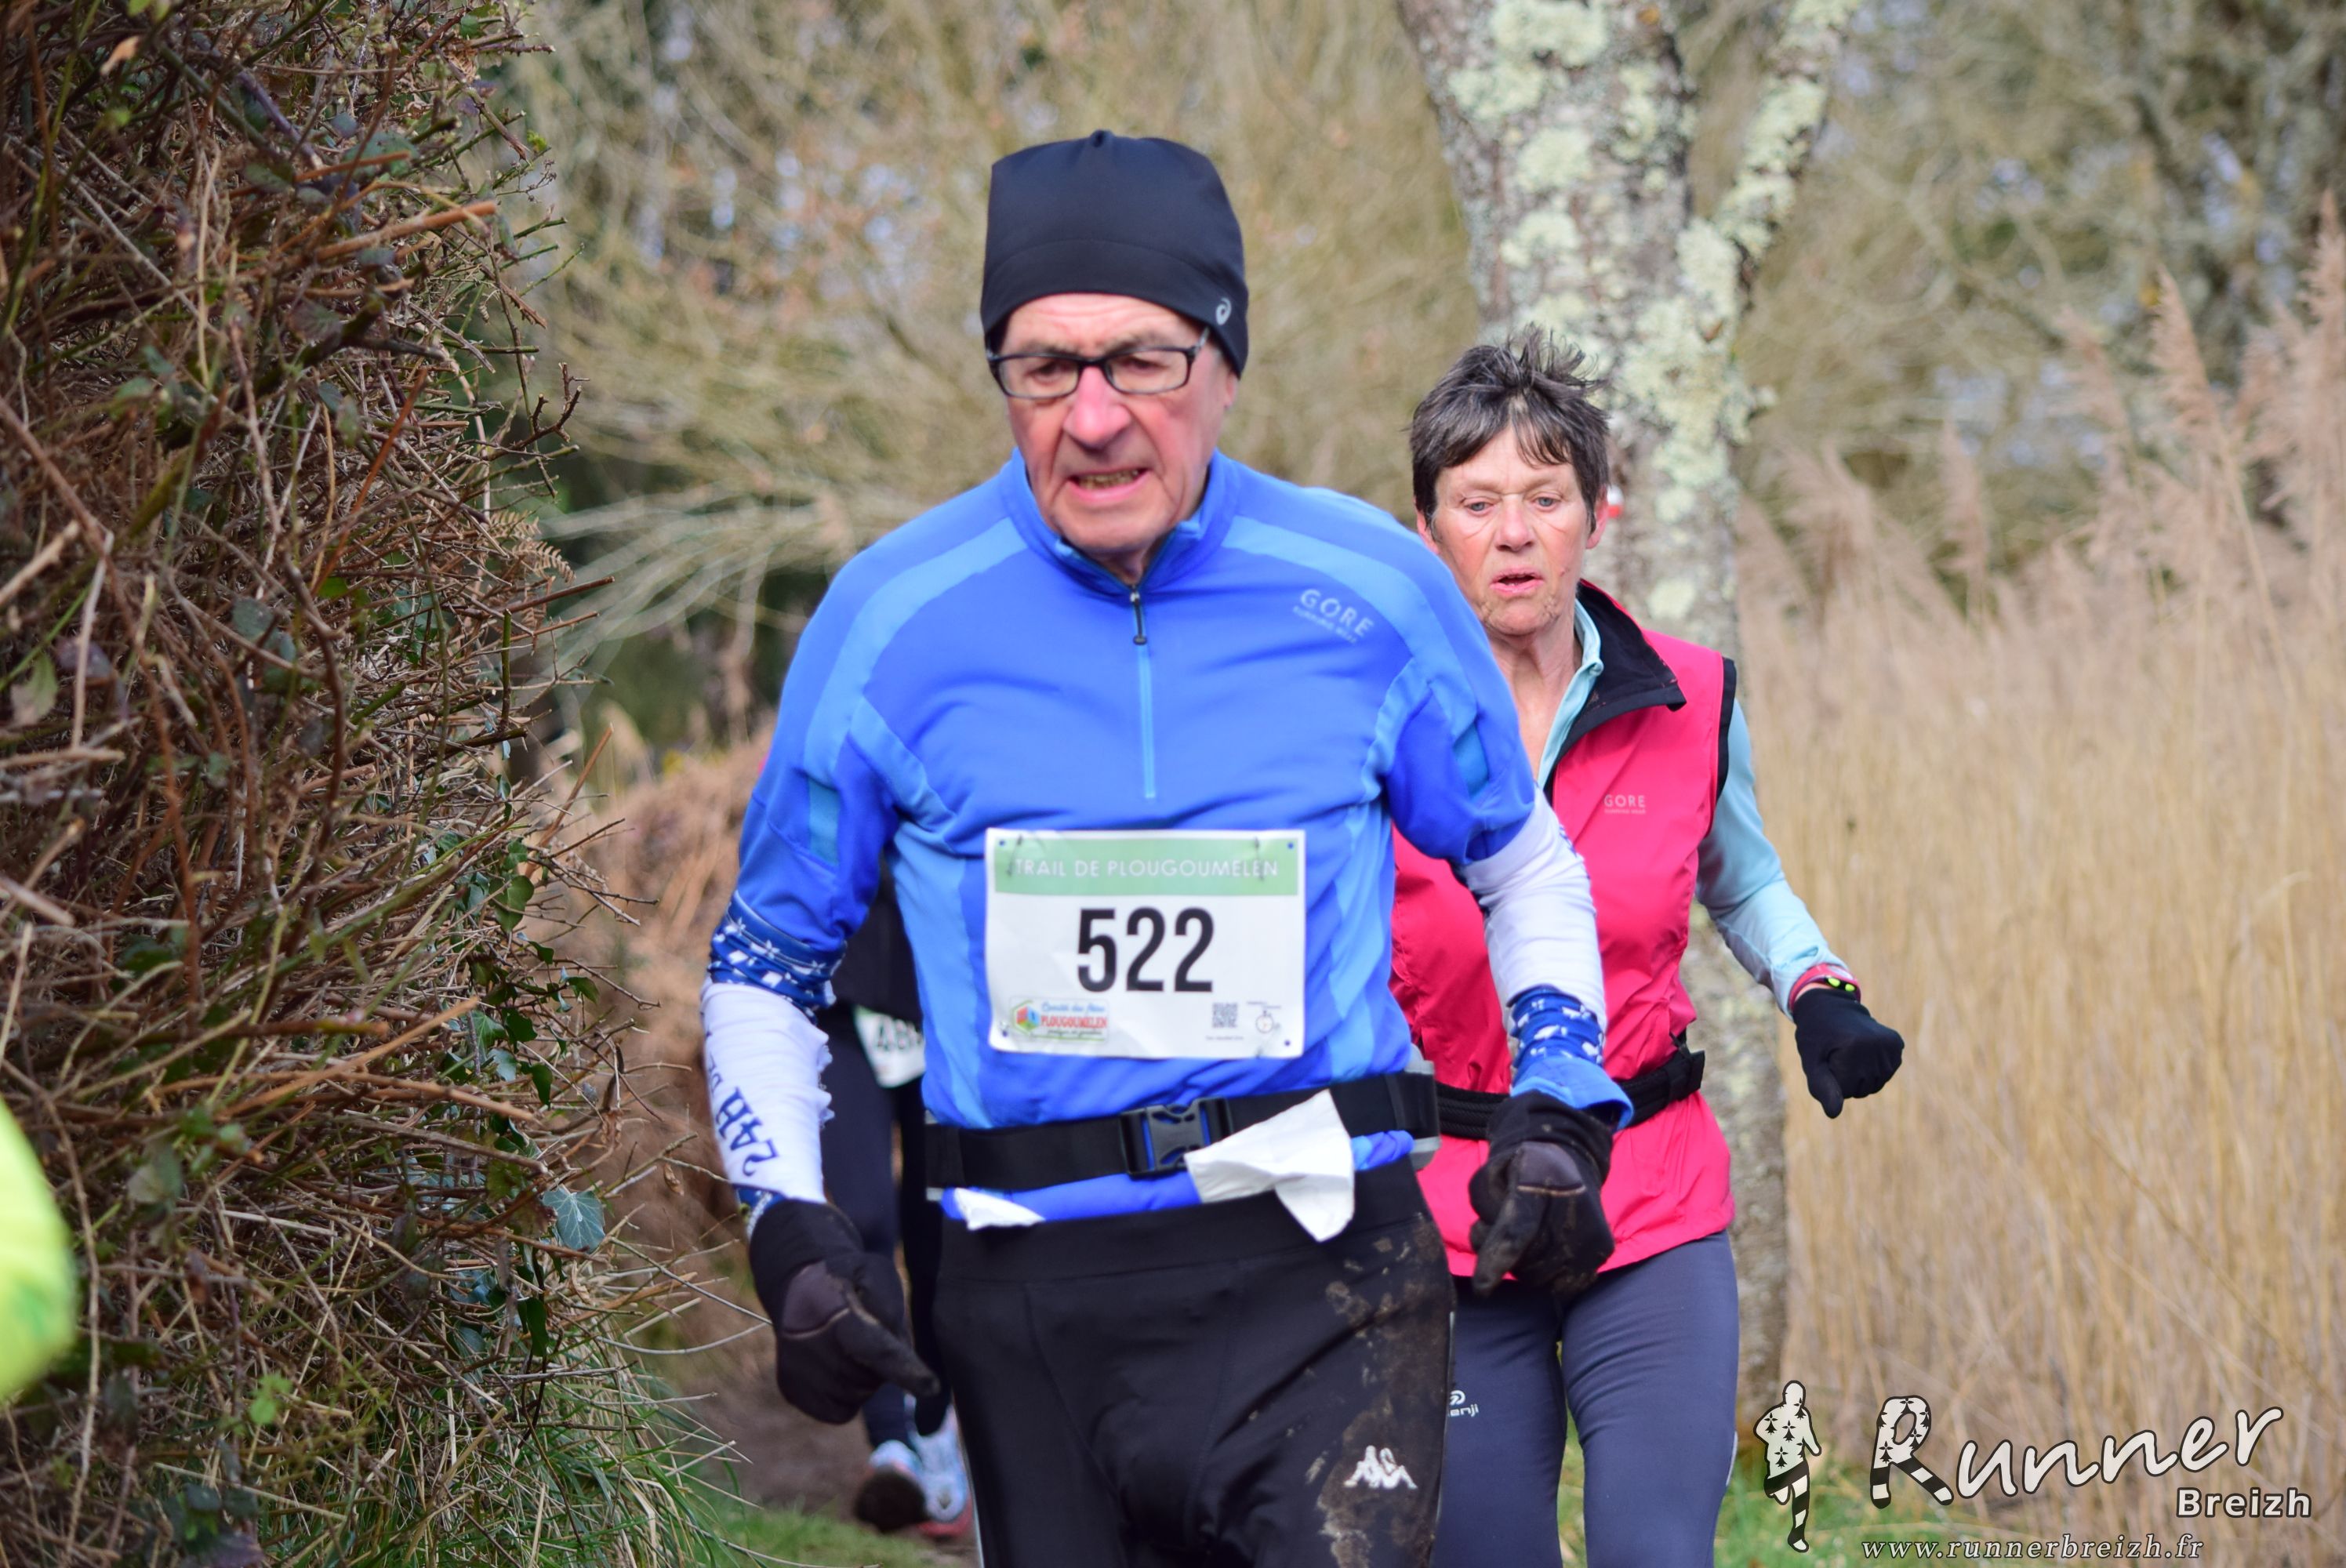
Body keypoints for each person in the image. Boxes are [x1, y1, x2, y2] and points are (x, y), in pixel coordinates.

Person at [700, 131, 1625, 1567]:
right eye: (1043, 367)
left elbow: (1522, 862)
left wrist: (1559, 1092)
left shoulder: (1369, 589)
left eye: (1142, 361)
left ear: (1225, 363)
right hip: (1027, 1293)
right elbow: (764, 961)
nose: (1093, 417)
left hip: (1326, 1273)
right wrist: (785, 1222)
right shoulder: (892, 619)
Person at [1386, 332, 1907, 1568]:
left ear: (1595, 515)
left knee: (1657, 1552)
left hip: (1648, 1194)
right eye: (1477, 503)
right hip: (1451, 1206)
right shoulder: (1377, 716)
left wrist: (1819, 990)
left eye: (1545, 498)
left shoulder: (1689, 696)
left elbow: (1747, 880)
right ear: (1427, 531)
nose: (1515, 534)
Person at [815, 876, 971, 1537]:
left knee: (938, 1234)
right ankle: (889, 1443)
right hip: (843, 997)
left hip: (948, 1001)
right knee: (862, 1220)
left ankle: (935, 1425)